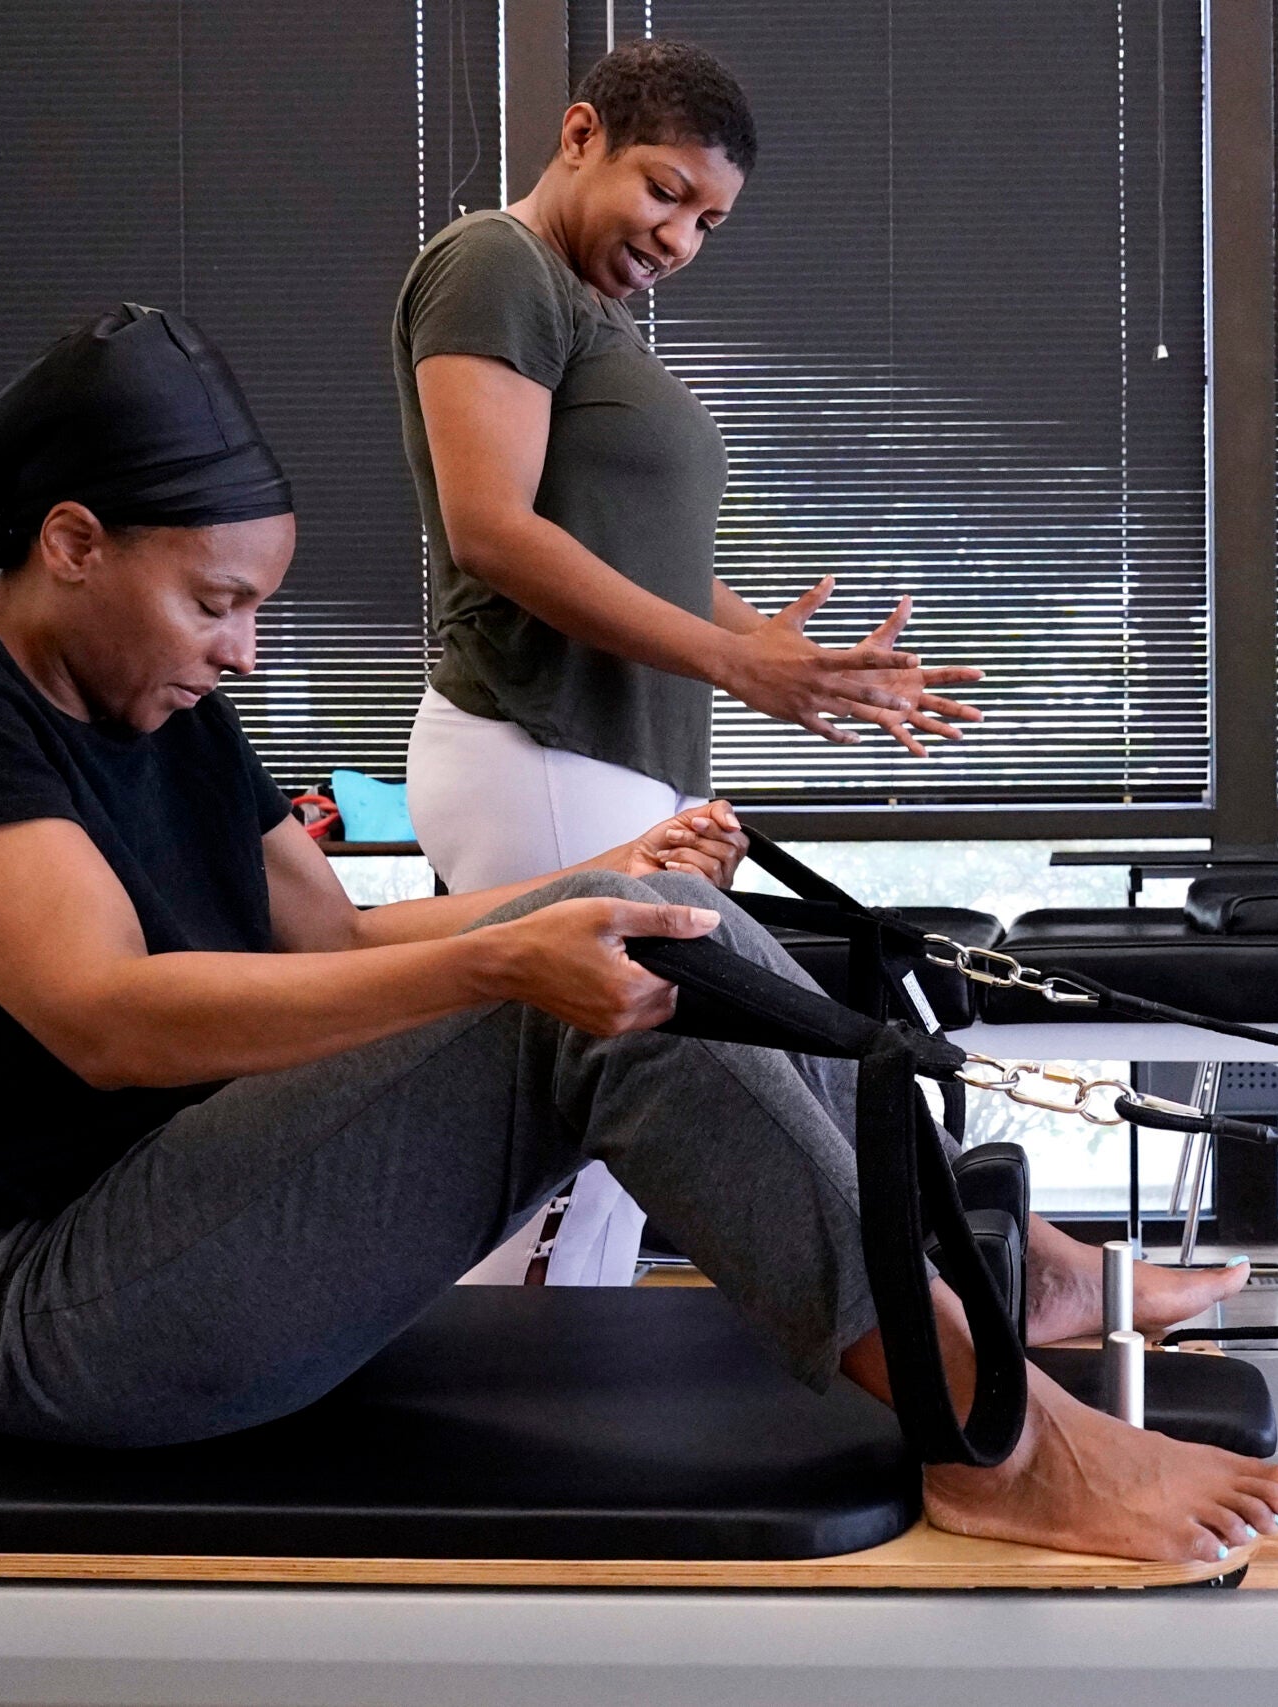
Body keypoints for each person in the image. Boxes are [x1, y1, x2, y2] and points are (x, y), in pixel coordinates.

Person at [0, 304, 1278, 1565]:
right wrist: (506, 959)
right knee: (608, 979)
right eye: (216, 602)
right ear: (74, 542)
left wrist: (603, 878)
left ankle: (983, 1279)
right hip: (51, 1311)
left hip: (182, 1232)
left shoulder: (174, 709)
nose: (243, 647)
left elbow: (326, 937)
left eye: (254, 611)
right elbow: (106, 1013)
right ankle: (998, 1439)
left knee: (668, 918)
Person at [396, 38, 986, 1283]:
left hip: (597, 757)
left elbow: (618, 543)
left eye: (707, 222)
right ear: (578, 136)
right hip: (539, 744)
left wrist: (768, 649)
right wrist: (736, 667)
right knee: (590, 1141)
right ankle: (520, 1424)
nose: (678, 241)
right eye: (664, 192)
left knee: (607, 1154)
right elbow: (494, 532)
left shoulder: (580, 307)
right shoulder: (493, 265)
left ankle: (554, 1426)